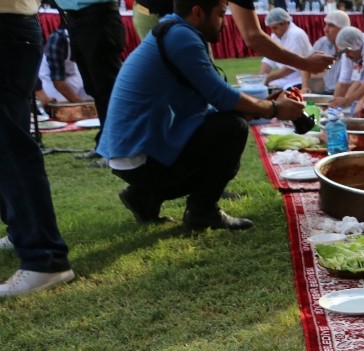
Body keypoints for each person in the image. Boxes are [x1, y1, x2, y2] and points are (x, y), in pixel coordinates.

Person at [97, 0, 306, 231]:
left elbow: (208, 102)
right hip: (139, 158)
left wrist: (262, 105)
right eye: (220, 14)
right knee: (232, 129)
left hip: (128, 155)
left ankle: (144, 197)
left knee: (226, 128)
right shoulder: (181, 38)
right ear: (197, 11)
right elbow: (221, 95)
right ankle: (202, 211)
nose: (224, 24)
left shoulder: (173, 30)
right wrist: (273, 109)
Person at [0, 3, 75, 297]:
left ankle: (44, 259)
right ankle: (25, 235)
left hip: (7, 26)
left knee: (10, 148)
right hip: (12, 26)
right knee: (8, 143)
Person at [57, 0, 126, 164]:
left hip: (98, 16)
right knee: (95, 88)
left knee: (107, 89)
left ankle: (116, 149)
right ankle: (104, 144)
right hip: (76, 19)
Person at [330, 26, 364, 112]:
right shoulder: (349, 52)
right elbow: (343, 82)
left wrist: (347, 100)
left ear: (357, 46)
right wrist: (333, 107)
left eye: (348, 52)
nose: (346, 56)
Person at [37, 23, 91, 105]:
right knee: (61, 105)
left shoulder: (91, 39)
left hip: (73, 74)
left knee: (92, 96)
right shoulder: (58, 40)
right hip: (52, 77)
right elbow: (58, 81)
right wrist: (81, 104)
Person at [259, 9, 313, 91]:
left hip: (299, 79)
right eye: (271, 28)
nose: (273, 31)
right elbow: (269, 59)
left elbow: (293, 66)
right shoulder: (275, 35)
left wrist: (268, 78)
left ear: (285, 23)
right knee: (263, 90)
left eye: (275, 28)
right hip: (284, 78)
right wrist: (261, 77)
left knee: (283, 96)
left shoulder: (296, 34)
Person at [304, 11, 352, 94]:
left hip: (346, 93)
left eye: (331, 26)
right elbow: (305, 64)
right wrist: (305, 87)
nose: (325, 29)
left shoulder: (352, 47)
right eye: (325, 24)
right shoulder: (322, 42)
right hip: (326, 91)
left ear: (343, 29)